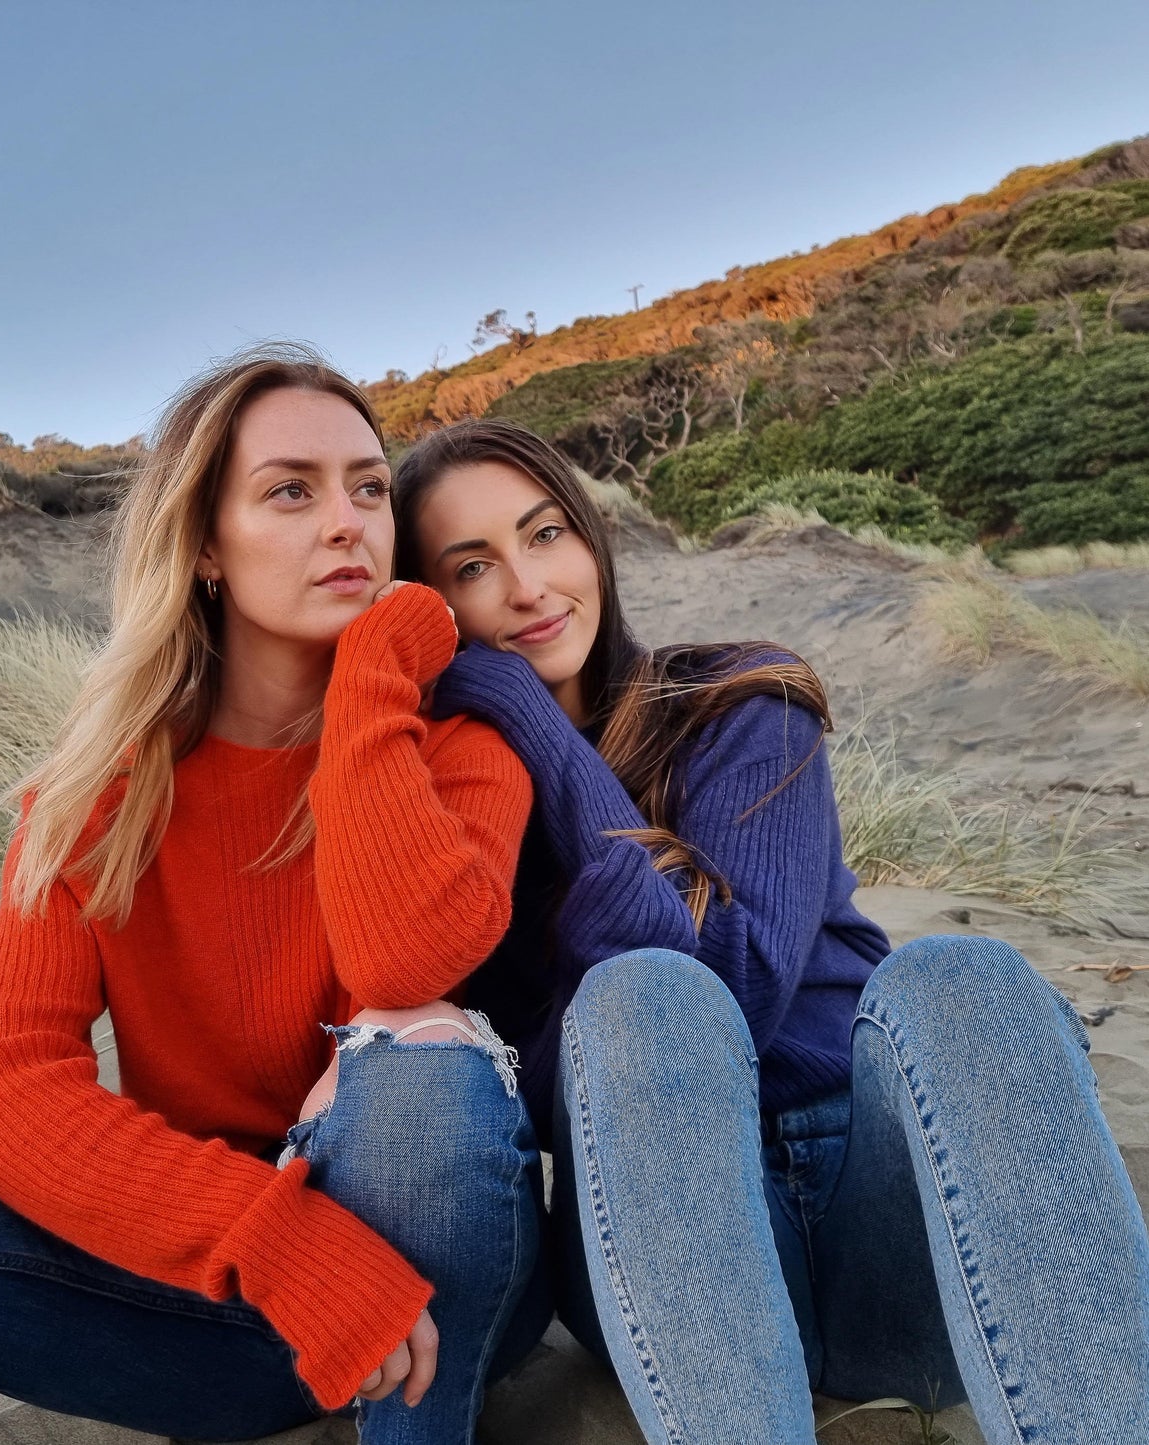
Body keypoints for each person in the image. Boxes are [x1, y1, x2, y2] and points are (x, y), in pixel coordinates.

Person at [0, 349, 552, 1445]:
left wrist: (374, 667)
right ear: (204, 546)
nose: (347, 522)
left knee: (415, 1068)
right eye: (290, 491)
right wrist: (271, 1239)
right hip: (246, 1302)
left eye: (368, 487)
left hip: (446, 1290)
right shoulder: (101, 793)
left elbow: (402, 961)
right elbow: (4, 1086)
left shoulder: (463, 752)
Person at [391, 416, 1149, 1445]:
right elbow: (546, 1077)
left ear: (589, 539)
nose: (527, 586)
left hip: (885, 1216)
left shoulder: (736, 702)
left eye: (545, 533)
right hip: (668, 1251)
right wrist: (505, 741)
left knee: (960, 974)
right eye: (473, 565)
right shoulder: (450, 809)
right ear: (430, 604)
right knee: (639, 996)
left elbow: (736, 988)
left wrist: (533, 723)